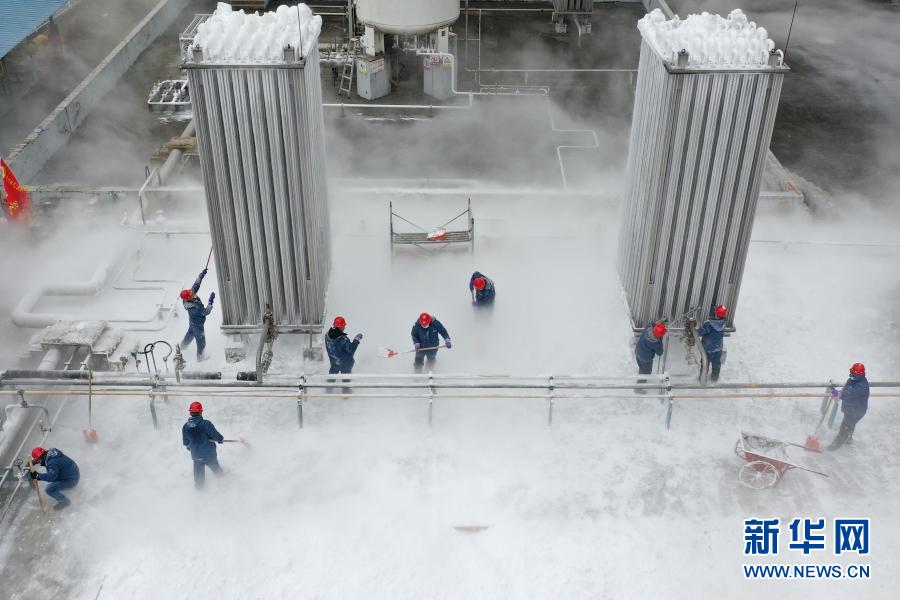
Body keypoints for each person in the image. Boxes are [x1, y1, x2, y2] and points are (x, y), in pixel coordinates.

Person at [182, 401, 224, 489]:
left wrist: (191, 448)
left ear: (190, 412)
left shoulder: (186, 426)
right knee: (216, 469)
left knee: (198, 476)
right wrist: (220, 439)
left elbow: (186, 442)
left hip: (196, 455)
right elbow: (215, 435)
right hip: (209, 455)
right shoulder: (206, 424)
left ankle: (199, 491)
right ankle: (225, 483)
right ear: (201, 412)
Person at [827, 363, 870, 450]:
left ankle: (834, 447)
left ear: (858, 374)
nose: (850, 374)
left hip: (856, 411)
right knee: (850, 424)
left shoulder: (861, 386)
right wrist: (839, 393)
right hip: (850, 408)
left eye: (852, 372)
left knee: (844, 428)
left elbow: (849, 394)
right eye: (851, 371)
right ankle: (849, 438)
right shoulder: (852, 380)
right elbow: (846, 390)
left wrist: (838, 394)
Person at [180, 269, 215, 360]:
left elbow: (196, 285)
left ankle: (181, 349)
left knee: (189, 335)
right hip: (198, 325)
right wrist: (210, 302)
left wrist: (201, 276)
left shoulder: (189, 297)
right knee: (201, 342)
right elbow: (206, 312)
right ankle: (200, 358)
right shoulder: (194, 308)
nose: (192, 292)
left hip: (192, 323)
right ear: (189, 298)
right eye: (191, 294)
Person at [634, 321, 666, 392]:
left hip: (638, 351)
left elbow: (652, 323)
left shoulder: (648, 328)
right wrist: (660, 341)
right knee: (646, 373)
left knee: (641, 367)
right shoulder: (655, 343)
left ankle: (640, 375)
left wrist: (660, 323)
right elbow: (660, 353)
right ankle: (638, 389)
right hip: (645, 358)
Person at [698, 304, 727, 382]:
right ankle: (715, 378)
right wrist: (714, 308)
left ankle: (702, 379)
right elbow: (719, 316)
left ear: (716, 314)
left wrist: (699, 329)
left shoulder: (709, 324)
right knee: (716, 364)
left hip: (708, 349)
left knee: (705, 364)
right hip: (718, 349)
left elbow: (701, 332)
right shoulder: (724, 323)